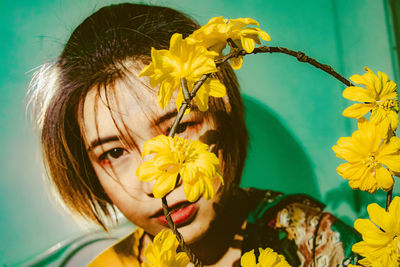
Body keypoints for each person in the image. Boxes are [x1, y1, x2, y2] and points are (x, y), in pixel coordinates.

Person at [29, 3, 360, 266]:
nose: (158, 183)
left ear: (224, 117)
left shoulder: (314, 243)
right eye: (114, 152)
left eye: (181, 127)